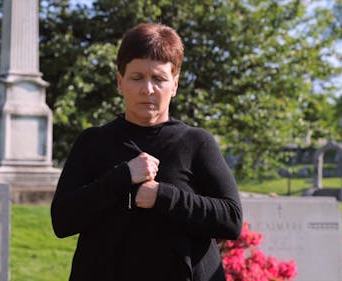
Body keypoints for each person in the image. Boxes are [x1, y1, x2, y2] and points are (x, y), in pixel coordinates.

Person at [51, 22, 242, 281]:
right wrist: (122, 177)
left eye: (159, 78)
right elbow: (62, 221)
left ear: (174, 85)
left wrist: (163, 196)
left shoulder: (196, 142)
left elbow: (231, 219)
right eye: (137, 77)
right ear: (120, 81)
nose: (147, 89)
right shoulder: (93, 142)